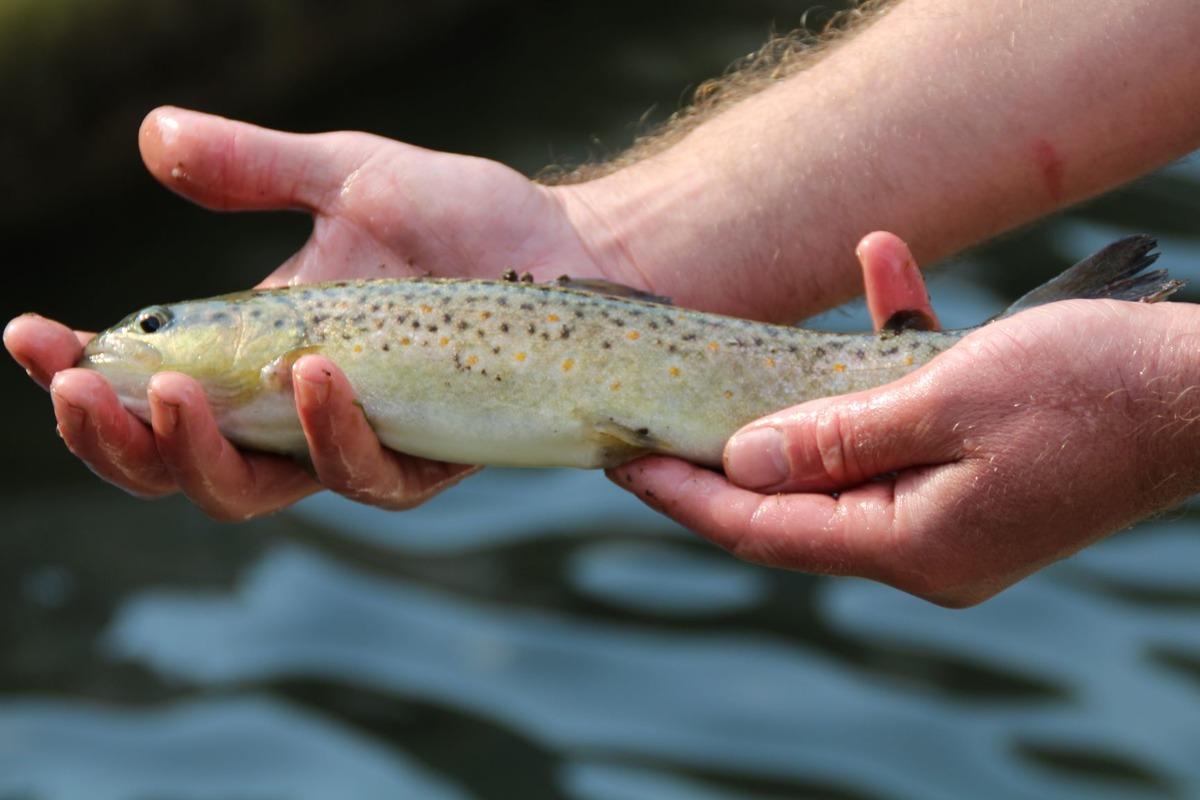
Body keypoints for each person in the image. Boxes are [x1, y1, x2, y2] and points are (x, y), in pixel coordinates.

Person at [6, 0, 1200, 606]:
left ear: (244, 330)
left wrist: (1166, 405)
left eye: (159, 324)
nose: (133, 341)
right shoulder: (283, 367)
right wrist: (616, 241)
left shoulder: (310, 343)